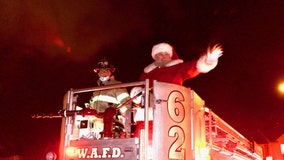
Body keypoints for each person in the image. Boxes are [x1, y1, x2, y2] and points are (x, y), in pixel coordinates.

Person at [133, 42, 223, 143]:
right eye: (160, 54)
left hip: (169, 111)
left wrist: (207, 61)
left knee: (167, 142)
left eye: (166, 54)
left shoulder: (177, 68)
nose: (163, 56)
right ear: (155, 56)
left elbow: (193, 68)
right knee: (141, 142)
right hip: (146, 115)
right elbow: (139, 89)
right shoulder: (147, 72)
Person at [88, 57, 131, 138]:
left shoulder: (117, 85)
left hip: (111, 124)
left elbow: (127, 103)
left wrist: (117, 113)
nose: (103, 73)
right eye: (100, 71)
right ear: (98, 73)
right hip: (96, 125)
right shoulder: (96, 90)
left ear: (110, 72)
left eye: (105, 71)